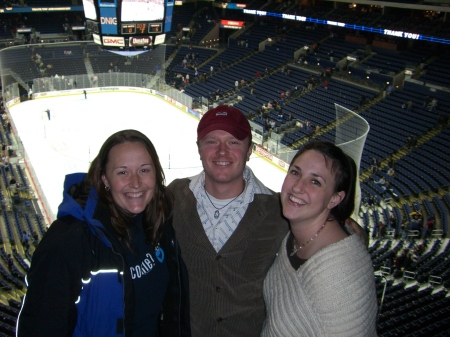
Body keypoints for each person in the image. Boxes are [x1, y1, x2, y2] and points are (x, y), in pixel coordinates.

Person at [17, 130, 190, 337]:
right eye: (122, 172)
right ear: (104, 178)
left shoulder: (161, 222)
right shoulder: (69, 241)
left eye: (144, 170)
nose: (135, 183)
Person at [168, 106, 289, 336]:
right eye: (212, 141)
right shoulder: (173, 196)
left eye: (233, 142)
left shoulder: (280, 211)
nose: (222, 152)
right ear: (199, 149)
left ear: (250, 150)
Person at [262, 141, 377, 336]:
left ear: (335, 198)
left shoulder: (340, 277)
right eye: (295, 172)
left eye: (315, 181)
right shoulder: (296, 235)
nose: (297, 187)